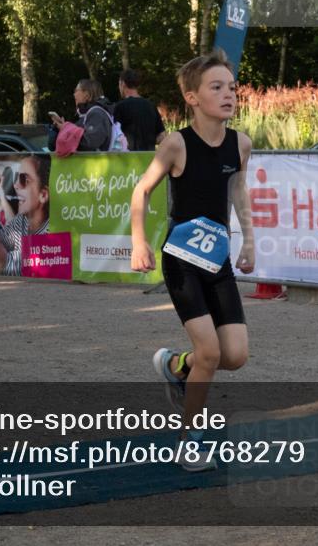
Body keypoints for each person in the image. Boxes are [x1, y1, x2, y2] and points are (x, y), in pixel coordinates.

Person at [129, 50, 255, 472]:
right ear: (193, 98)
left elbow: (238, 193)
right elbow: (141, 191)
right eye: (216, 87)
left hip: (216, 261)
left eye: (231, 87)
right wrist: (138, 242)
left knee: (233, 355)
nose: (228, 94)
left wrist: (249, 241)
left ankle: (174, 366)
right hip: (181, 260)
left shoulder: (241, 143)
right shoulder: (176, 144)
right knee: (209, 352)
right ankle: (189, 440)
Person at [0, 154, 50, 276]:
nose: (16, 185)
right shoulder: (22, 220)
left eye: (24, 180)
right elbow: (1, 241)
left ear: (43, 195)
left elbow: (10, 263)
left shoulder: (51, 231)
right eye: (16, 178)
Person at [49, 79, 114, 152]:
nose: (74, 94)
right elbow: (53, 146)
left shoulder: (97, 114)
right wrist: (62, 128)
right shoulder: (88, 115)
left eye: (76, 90)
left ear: (86, 95)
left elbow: (90, 143)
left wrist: (66, 130)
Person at [115, 69, 167, 151]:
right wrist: (148, 141)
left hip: (128, 159)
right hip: (149, 159)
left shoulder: (120, 107)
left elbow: (114, 136)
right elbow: (162, 136)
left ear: (123, 84)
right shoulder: (151, 106)